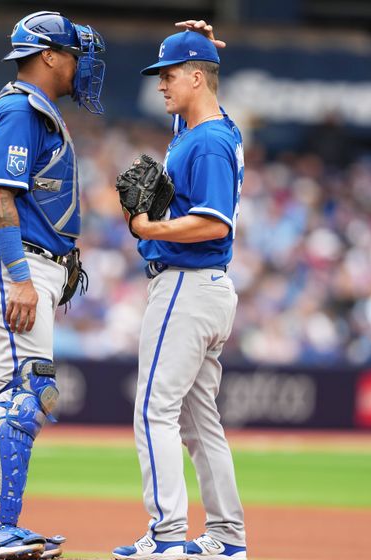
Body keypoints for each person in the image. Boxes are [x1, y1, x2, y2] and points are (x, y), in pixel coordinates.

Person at [0, 11, 105, 560]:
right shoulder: (21, 108)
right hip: (5, 263)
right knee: (23, 393)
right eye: (74, 54)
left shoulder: (29, 108)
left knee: (20, 392)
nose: (82, 66)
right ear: (48, 56)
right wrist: (20, 276)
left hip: (15, 263)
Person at [113, 24, 248, 560]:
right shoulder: (212, 127)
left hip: (187, 286)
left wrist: (151, 229)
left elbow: (215, 223)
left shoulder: (210, 142)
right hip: (207, 290)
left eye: (169, 76)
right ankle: (227, 537)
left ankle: (167, 535)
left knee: (153, 411)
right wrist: (203, 48)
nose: (161, 85)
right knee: (198, 421)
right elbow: (197, 105)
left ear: (196, 76)